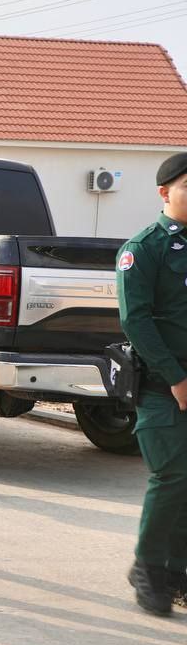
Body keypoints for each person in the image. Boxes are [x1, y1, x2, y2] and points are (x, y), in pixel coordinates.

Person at [116, 150, 187, 615]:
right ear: (165, 192)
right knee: (172, 474)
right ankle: (147, 566)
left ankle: (177, 572)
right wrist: (176, 378)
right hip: (165, 385)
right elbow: (135, 321)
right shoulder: (143, 248)